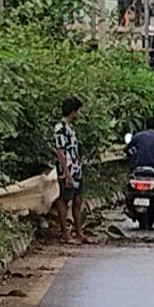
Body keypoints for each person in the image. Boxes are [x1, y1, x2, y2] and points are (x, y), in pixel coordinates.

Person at [52, 97, 87, 244]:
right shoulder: (60, 129)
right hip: (67, 169)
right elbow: (60, 151)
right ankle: (65, 233)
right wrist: (66, 173)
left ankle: (79, 232)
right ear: (73, 112)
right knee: (64, 200)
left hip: (76, 169)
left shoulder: (70, 129)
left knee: (77, 199)